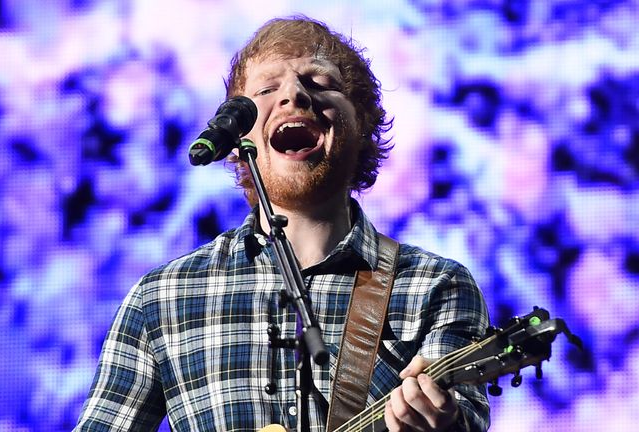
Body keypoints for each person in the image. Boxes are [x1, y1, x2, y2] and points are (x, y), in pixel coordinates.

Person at [75, 16, 490, 432]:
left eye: (320, 83)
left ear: (361, 124)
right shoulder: (162, 298)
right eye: (266, 90)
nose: (293, 95)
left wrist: (444, 424)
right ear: (239, 142)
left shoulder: (436, 286)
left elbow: (463, 417)